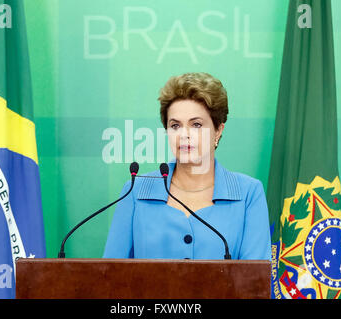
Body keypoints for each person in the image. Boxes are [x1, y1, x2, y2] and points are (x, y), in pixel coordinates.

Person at [103, 72, 271, 260]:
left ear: (218, 130)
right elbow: (110, 277)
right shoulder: (135, 191)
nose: (184, 135)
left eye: (196, 124)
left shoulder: (248, 193)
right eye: (175, 126)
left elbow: (254, 282)